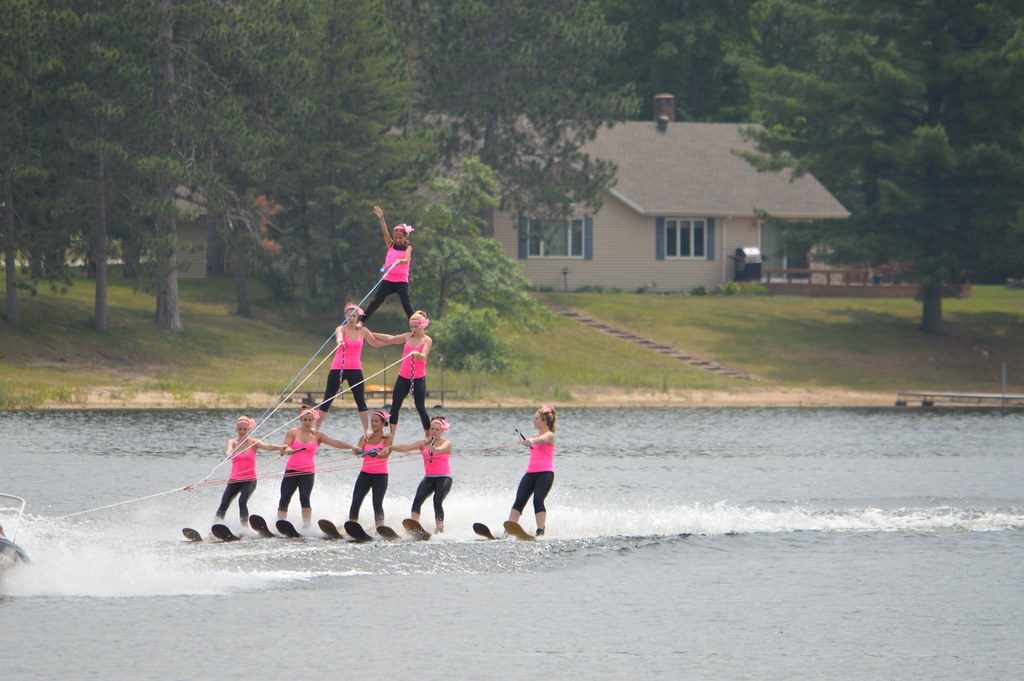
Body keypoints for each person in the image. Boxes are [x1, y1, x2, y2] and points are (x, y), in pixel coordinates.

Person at [318, 302, 393, 436]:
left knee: (360, 399)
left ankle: (366, 430)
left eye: (354, 315)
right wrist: (340, 342)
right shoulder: (341, 329)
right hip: (338, 368)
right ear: (345, 316)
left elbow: (374, 342)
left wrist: (392, 342)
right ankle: (316, 428)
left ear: (358, 317)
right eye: (349, 315)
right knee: (328, 398)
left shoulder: (363, 331)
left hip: (355, 369)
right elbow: (339, 337)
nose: (352, 318)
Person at [278, 408, 355, 528]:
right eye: (305, 420)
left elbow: (334, 443)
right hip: (291, 470)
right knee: (284, 498)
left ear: (313, 420)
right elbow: (285, 444)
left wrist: (351, 447)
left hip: (308, 472)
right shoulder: (293, 432)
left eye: (310, 420)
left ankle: (306, 526)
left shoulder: (318, 435)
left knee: (305, 498)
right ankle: (280, 523)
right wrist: (287, 449)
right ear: (300, 420)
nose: (307, 422)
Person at [215, 416, 292, 527]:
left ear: (248, 429)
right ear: (236, 429)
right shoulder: (232, 442)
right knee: (224, 503)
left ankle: (244, 528)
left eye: (244, 429)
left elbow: (268, 446)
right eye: (240, 429)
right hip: (234, 479)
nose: (242, 431)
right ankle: (215, 527)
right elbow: (228, 451)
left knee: (242, 501)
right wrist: (229, 454)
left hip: (249, 480)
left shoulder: (253, 442)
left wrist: (280, 447)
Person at [388, 416, 453, 533]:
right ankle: (414, 525)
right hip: (429, 478)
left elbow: (442, 449)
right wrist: (390, 447)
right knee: (417, 500)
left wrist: (435, 449)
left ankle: (439, 527)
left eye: (437, 429)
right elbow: (405, 447)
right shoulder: (423, 444)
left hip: (444, 478)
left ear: (442, 431)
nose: (434, 431)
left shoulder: (446, 443)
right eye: (432, 429)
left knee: (437, 501)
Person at [379, 310, 433, 440]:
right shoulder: (407, 336)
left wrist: (418, 354)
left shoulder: (427, 340)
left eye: (416, 327)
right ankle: (392, 434)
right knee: (395, 405)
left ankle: (428, 434)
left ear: (422, 326)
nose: (413, 330)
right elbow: (391, 339)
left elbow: (424, 356)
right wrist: (371, 334)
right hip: (403, 377)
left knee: (420, 406)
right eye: (411, 327)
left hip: (418, 378)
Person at [358, 205, 415, 324]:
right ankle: (362, 321)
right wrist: (381, 218)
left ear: (405, 237)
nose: (397, 240)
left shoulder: (408, 247)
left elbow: (406, 259)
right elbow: (385, 232)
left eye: (400, 237)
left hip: (401, 280)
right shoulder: (391, 245)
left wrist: (400, 261)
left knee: (406, 304)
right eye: (396, 237)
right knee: (376, 301)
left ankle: (416, 324)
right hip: (389, 279)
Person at [508, 405, 557, 536]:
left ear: (544, 421)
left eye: (536, 419)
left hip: (545, 474)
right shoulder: (536, 435)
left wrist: (532, 441)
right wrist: (529, 442)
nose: (533, 421)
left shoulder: (550, 435)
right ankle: (509, 530)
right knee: (519, 500)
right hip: (530, 473)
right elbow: (536, 441)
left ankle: (540, 531)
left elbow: (541, 440)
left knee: (538, 500)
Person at [348, 410, 392, 527]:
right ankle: (352, 525)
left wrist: (377, 454)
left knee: (377, 503)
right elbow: (358, 453)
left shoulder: (387, 438)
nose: (373, 423)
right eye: (372, 421)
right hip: (365, 474)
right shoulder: (365, 438)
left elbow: (385, 452)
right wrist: (357, 450)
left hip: (381, 476)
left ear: (383, 423)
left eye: (376, 421)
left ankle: (380, 527)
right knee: (356, 500)